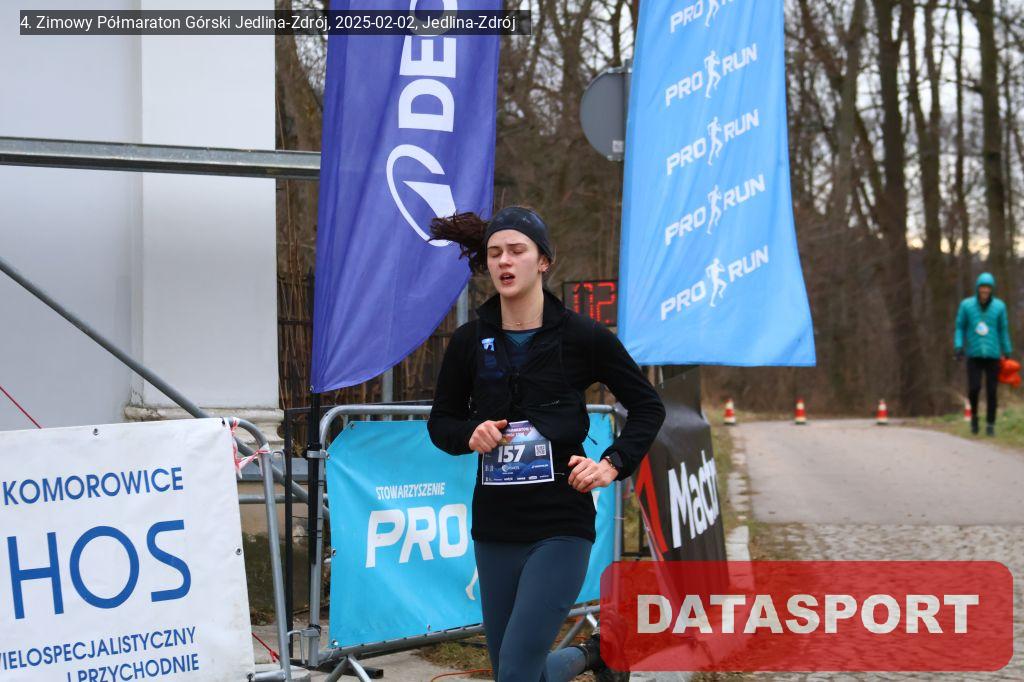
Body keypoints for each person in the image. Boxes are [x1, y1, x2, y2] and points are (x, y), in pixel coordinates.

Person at [427, 206, 666, 682]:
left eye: (517, 250)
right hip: (495, 525)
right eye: (495, 253)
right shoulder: (470, 341)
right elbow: (441, 424)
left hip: (560, 522)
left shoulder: (582, 336)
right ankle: (598, 654)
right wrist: (469, 434)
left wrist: (611, 464)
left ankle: (597, 654)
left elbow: (647, 406)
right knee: (516, 674)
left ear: (543, 261)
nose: (504, 261)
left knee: (516, 675)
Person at [954, 272, 1012, 436]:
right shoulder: (966, 305)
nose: (985, 290)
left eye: (988, 287)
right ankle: (974, 417)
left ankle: (990, 424)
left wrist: (1007, 350)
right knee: (974, 388)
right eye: (982, 287)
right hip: (974, 354)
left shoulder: (999, 307)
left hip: (993, 354)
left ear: (991, 289)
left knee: (992, 391)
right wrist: (959, 346)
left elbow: (1003, 330)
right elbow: (960, 327)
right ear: (977, 288)